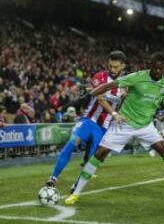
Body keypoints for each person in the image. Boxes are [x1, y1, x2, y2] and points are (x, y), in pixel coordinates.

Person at [65, 52, 164, 205]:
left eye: (161, 68)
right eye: (155, 67)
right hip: (124, 123)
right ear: (150, 66)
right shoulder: (137, 76)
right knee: (100, 153)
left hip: (145, 126)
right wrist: (91, 93)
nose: (158, 70)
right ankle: (76, 193)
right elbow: (111, 85)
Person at [45, 50, 127, 187]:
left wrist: (121, 116)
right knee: (71, 143)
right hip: (89, 120)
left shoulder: (125, 85)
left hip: (103, 127)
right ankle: (53, 178)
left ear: (123, 66)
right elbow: (100, 99)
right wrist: (114, 114)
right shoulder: (99, 77)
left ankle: (77, 185)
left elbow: (124, 105)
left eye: (116, 67)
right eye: (111, 66)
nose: (112, 69)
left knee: (93, 160)